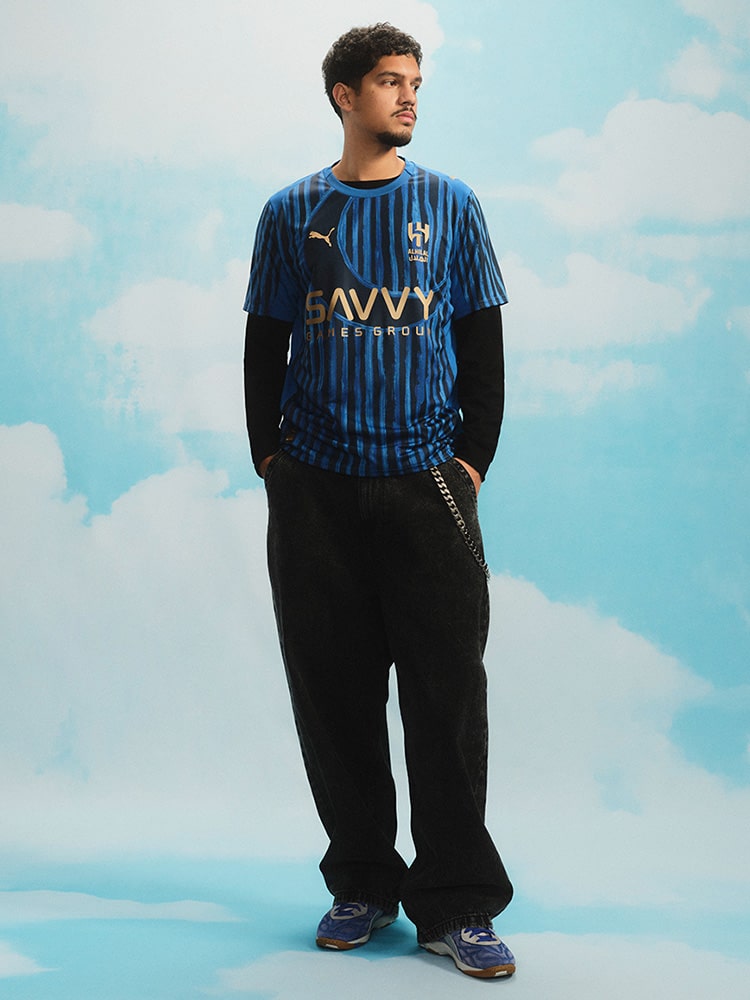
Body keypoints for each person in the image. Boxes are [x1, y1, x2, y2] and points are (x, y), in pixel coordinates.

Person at [243, 22, 515, 980]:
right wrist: (273, 461)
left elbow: (482, 344)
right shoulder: (292, 212)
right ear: (345, 96)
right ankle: (361, 881)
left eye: (415, 83)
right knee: (335, 698)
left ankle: (457, 904)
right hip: (316, 492)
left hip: (427, 485)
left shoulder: (451, 205)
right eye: (391, 82)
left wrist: (469, 462)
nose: (408, 98)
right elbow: (265, 341)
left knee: (447, 700)